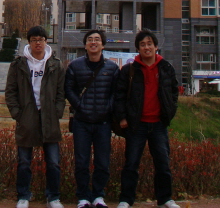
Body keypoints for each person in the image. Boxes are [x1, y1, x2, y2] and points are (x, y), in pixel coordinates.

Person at [114, 29, 180, 208]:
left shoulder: (166, 68)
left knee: (163, 163)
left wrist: (169, 112)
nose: (146, 47)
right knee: (131, 163)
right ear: (138, 49)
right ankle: (126, 200)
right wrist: (122, 117)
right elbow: (119, 95)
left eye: (149, 44)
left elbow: (174, 92)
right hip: (137, 125)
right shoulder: (129, 70)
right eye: (142, 44)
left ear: (156, 46)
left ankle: (165, 199)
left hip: (158, 124)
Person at [5, 26, 66, 208]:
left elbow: (61, 92)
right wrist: (17, 114)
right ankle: (23, 196)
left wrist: (57, 112)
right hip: (27, 117)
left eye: (41, 39)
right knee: (24, 162)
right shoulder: (18, 65)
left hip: (49, 118)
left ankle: (53, 197)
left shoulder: (55, 64)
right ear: (29, 42)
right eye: (34, 40)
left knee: (53, 162)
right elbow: (10, 92)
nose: (37, 43)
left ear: (46, 41)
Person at [65, 29, 119, 208]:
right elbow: (69, 89)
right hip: (82, 122)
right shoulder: (75, 66)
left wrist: (108, 108)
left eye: (97, 39)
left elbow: (116, 92)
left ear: (103, 45)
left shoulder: (112, 68)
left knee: (102, 162)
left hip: (103, 122)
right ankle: (83, 197)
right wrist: (79, 105)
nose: (93, 42)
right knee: (81, 162)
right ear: (85, 45)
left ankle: (98, 195)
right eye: (90, 39)